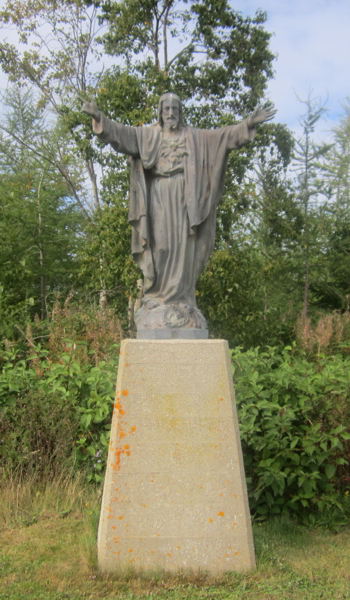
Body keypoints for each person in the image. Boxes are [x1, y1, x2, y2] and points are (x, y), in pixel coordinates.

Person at [82, 93, 276, 336]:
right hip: (158, 195)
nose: (170, 113)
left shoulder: (195, 137)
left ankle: (182, 300)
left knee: (184, 248)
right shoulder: (148, 135)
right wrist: (100, 117)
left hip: (185, 198)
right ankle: (156, 297)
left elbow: (225, 137)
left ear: (180, 112)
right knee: (160, 247)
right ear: (160, 112)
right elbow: (122, 135)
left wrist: (248, 123)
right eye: (166, 109)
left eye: (175, 108)